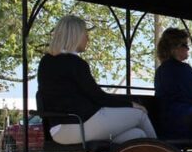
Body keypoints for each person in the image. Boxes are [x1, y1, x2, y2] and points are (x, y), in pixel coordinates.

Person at [37, 15, 157, 144]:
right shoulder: (75, 63)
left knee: (137, 134)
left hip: (58, 132)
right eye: (85, 34)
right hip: (82, 124)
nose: (88, 38)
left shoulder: (45, 62)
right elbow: (99, 97)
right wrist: (132, 104)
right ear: (75, 35)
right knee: (140, 115)